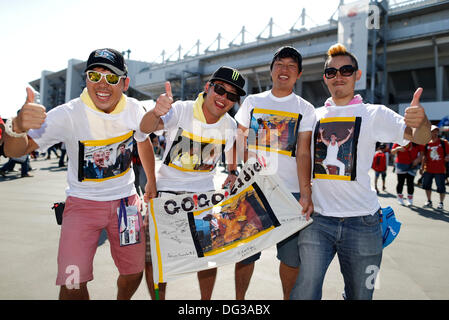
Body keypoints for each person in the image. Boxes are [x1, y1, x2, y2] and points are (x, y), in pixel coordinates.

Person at [7, 48, 157, 300]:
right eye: (94, 76)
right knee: (72, 281)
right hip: (82, 205)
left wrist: (151, 181)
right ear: (85, 79)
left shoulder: (133, 108)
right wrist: (16, 127)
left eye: (111, 78)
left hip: (126, 206)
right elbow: (17, 151)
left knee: (134, 272)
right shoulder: (68, 114)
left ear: (125, 83)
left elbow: (143, 140)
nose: (102, 84)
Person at [290, 43, 430, 300]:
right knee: (304, 293)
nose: (338, 76)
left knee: (360, 295)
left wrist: (421, 121)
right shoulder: (313, 116)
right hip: (317, 222)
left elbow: (418, 137)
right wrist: (306, 194)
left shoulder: (373, 113)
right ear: (325, 78)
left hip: (363, 223)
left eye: (346, 70)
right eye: (331, 72)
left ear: (357, 74)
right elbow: (302, 155)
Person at [140, 66, 246, 300]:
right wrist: (156, 112)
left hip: (203, 198)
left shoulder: (229, 125)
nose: (224, 98)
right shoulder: (181, 110)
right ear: (207, 88)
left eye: (232, 95)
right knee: (155, 260)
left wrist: (232, 170)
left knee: (208, 259)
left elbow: (233, 146)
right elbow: (145, 128)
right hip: (166, 195)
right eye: (220, 89)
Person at [234, 46, 315, 300]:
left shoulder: (306, 108)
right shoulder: (253, 102)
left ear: (299, 74)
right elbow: (239, 140)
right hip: (254, 191)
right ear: (271, 70)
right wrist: (239, 171)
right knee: (246, 255)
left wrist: (306, 193)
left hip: (289, 194)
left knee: (291, 259)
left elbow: (303, 152)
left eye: (292, 66)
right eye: (280, 64)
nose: (285, 70)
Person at [421, 125, 449, 210]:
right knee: (426, 185)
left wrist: (447, 157)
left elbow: (448, 153)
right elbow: (424, 156)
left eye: (436, 131)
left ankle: (441, 203)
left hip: (440, 169)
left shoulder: (443, 143)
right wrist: (421, 167)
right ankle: (429, 201)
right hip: (428, 169)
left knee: (441, 187)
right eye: (433, 131)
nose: (435, 133)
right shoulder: (426, 143)